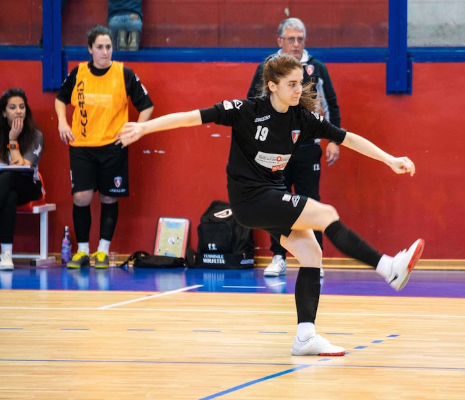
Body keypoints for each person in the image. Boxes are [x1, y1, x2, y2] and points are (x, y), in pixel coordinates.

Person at [117, 53, 425, 356]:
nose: (298, 90)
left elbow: (346, 138)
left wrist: (389, 159)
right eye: (292, 84)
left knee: (311, 253)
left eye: (301, 83)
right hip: (249, 200)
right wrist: (143, 128)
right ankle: (389, 268)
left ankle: (305, 337)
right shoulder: (245, 110)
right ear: (273, 85)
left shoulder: (302, 118)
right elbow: (189, 118)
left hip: (271, 194)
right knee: (326, 214)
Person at [247, 18, 341, 278]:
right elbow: (251, 106)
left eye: (300, 39)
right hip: (274, 149)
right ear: (280, 41)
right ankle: (279, 257)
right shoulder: (267, 68)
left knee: (311, 204)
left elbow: (331, 104)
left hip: (307, 148)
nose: (296, 44)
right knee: (275, 202)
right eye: (291, 39)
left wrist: (334, 140)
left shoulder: (316, 68)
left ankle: (314, 261)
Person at [55, 25, 154, 269]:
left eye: (108, 47)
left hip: (113, 146)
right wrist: (62, 122)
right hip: (82, 145)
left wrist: (136, 131)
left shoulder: (124, 73)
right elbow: (60, 99)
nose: (105, 51)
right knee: (81, 197)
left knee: (109, 197)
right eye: (99, 47)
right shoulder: (78, 72)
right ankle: (82, 251)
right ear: (90, 49)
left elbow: (147, 105)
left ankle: (103, 251)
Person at [0, 88, 45, 270]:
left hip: (28, 184)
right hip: (5, 187)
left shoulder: (35, 135)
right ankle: (6, 254)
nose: (18, 111)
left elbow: (20, 167)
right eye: (12, 107)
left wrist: (13, 140)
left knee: (10, 176)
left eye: (21, 107)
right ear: (4, 113)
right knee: (9, 195)